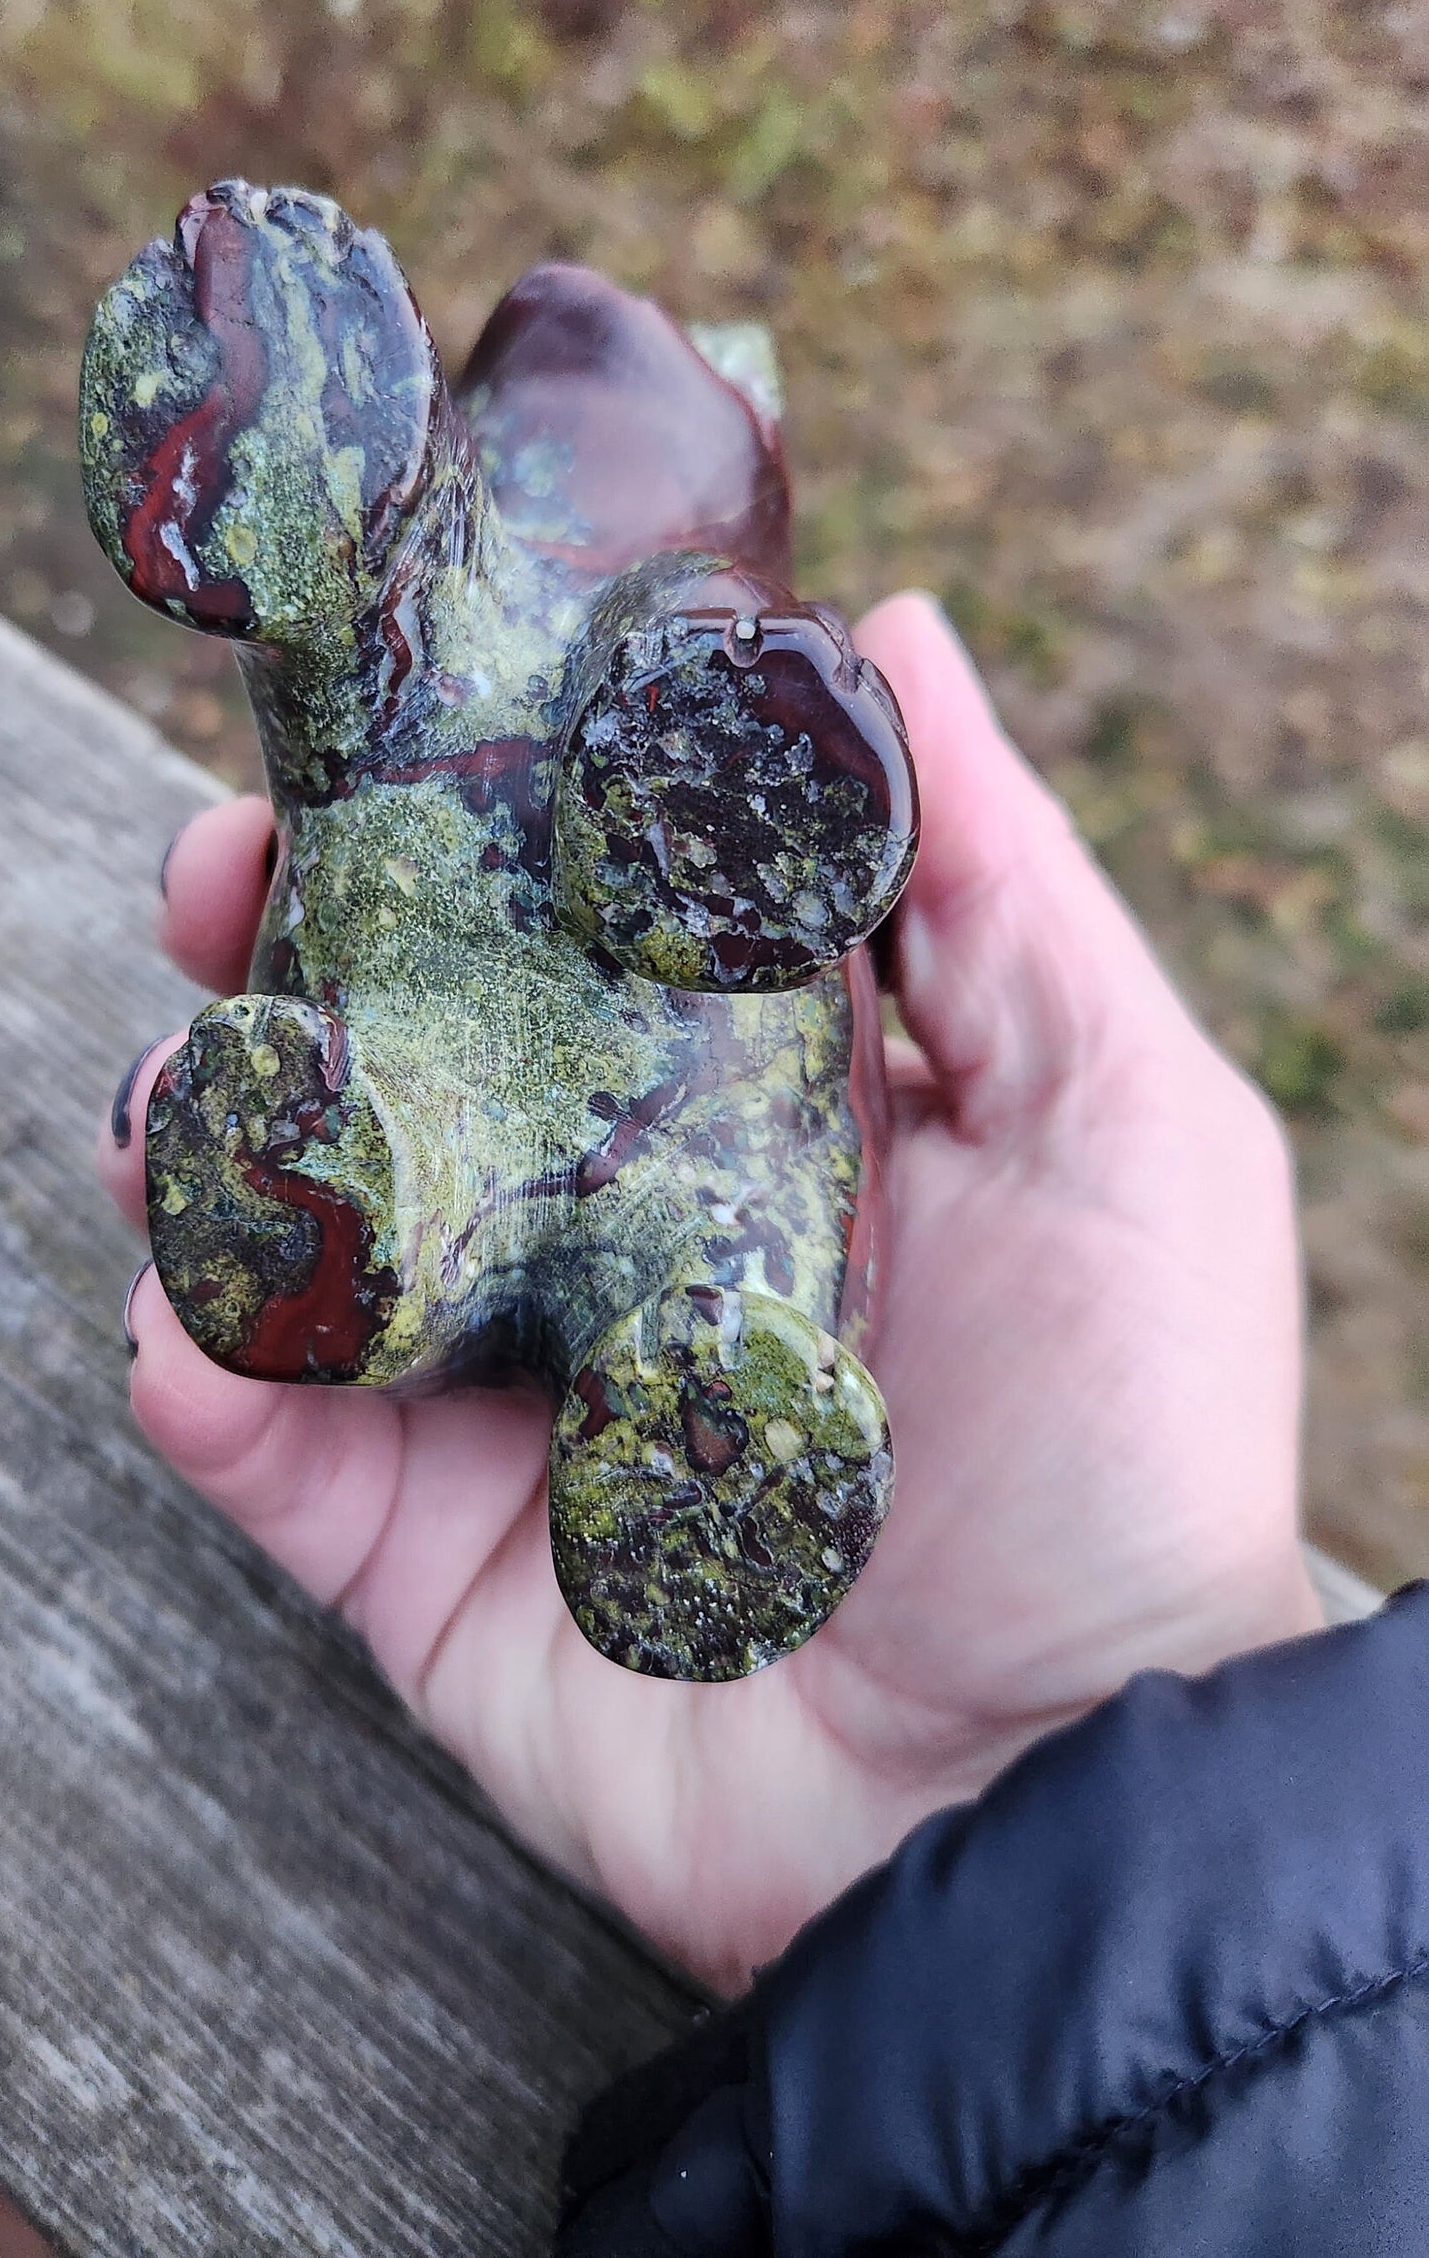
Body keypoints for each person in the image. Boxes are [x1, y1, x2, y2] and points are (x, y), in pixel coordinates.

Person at [100, 593, 1428, 2254]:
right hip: (606, 1078)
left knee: (593, 1249)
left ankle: (497, 1241)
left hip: (701, 1193)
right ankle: (431, 1198)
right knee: (483, 1191)